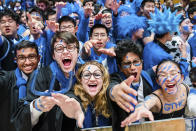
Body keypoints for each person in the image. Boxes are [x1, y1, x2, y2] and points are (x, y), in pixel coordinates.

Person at [13, 32, 84, 131]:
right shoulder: (39, 76)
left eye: (70, 47)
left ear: (78, 52)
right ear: (54, 56)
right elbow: (21, 119)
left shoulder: (87, 73)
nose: (65, 52)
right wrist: (37, 106)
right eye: (59, 49)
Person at [121, 60, 189, 127]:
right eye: (163, 75)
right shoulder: (156, 98)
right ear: (157, 81)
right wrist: (140, 109)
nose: (169, 78)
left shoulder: (186, 89)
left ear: (182, 77)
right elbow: (146, 103)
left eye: (173, 74)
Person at [106, 39, 156, 131]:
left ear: (142, 63)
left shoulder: (147, 76)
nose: (133, 68)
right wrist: (114, 92)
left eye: (136, 62)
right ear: (120, 67)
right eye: (127, 64)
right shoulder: (116, 79)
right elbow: (112, 88)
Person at [0, 40, 40, 131]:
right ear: (16, 60)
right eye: (22, 58)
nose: (27, 62)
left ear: (39, 58)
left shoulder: (46, 81)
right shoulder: (6, 78)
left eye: (31, 57)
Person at [74, 61, 111, 128]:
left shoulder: (110, 100)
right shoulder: (74, 101)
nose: (92, 79)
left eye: (97, 75)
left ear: (103, 79)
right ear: (80, 80)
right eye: (87, 75)